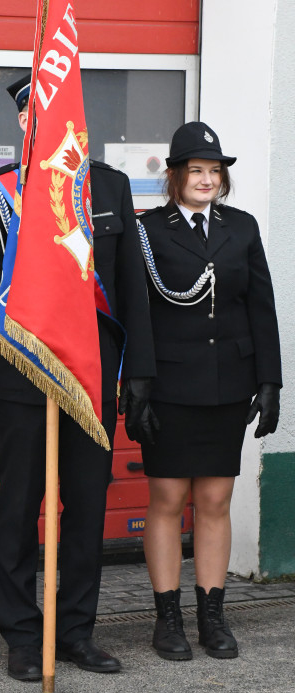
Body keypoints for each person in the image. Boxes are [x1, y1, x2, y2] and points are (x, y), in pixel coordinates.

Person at [0, 75, 156, 681]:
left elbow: (131, 293)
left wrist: (140, 377)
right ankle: (24, 638)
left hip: (91, 373)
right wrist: (39, 295)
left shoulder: (110, 186)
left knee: (86, 505)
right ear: (23, 123)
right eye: (31, 116)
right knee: (19, 504)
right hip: (24, 373)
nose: (39, 123)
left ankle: (74, 631)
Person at [135, 121, 282, 661]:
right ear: (174, 177)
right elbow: (138, 311)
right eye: (195, 170)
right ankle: (167, 617)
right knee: (169, 498)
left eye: (214, 171)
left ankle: (212, 617)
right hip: (171, 384)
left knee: (216, 498)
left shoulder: (240, 228)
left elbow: (259, 306)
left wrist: (270, 381)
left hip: (228, 382)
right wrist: (139, 384)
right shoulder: (147, 230)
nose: (206, 179)